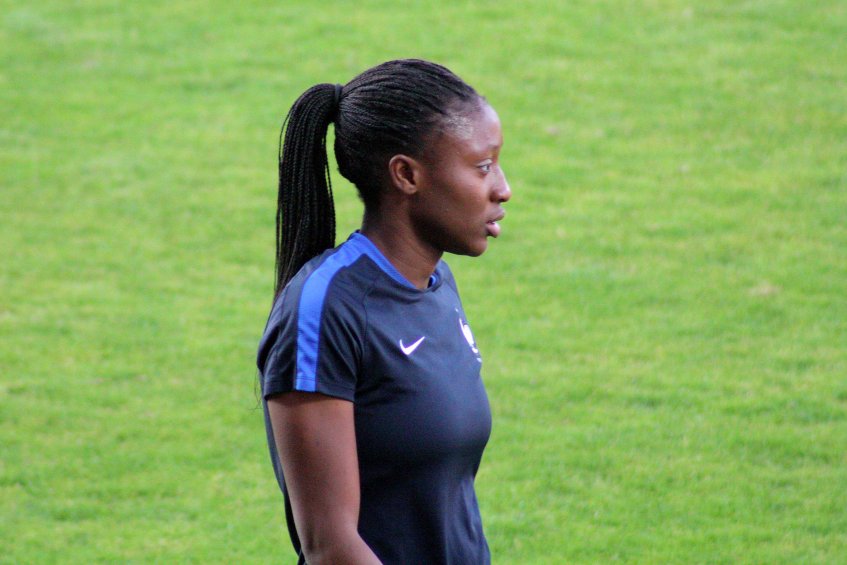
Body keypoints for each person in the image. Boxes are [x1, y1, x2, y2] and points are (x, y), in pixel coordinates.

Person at [257, 59, 511, 565]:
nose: (502, 187)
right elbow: (331, 546)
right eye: (482, 167)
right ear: (406, 175)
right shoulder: (324, 309)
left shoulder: (436, 283)